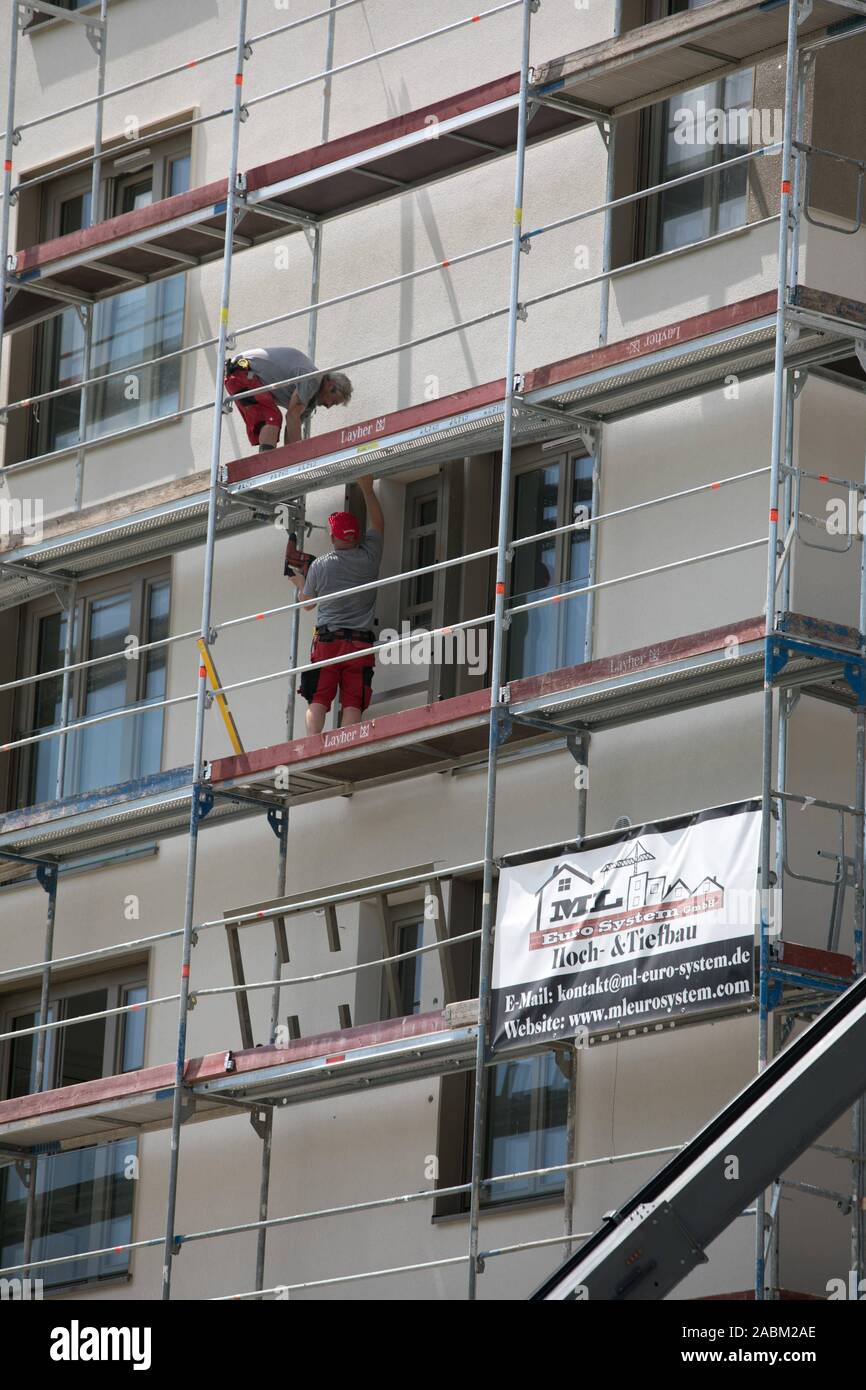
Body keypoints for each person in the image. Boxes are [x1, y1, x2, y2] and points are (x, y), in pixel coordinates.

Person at [287, 476, 384, 735]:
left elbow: (307, 604)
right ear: (357, 536)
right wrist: (367, 487)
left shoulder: (321, 565)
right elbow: (378, 523)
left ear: (332, 536)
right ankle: (346, 744)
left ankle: (312, 746)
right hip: (360, 643)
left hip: (328, 643)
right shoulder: (370, 557)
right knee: (353, 701)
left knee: (318, 698)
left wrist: (299, 583)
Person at [224, 346, 353, 451]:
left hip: (245, 375)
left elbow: (292, 427)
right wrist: (300, 457)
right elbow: (292, 416)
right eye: (334, 401)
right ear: (331, 386)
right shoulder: (313, 380)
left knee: (272, 417)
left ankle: (268, 464)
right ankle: (265, 468)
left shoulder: (309, 402)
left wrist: (290, 460)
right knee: (272, 418)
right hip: (242, 372)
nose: (329, 406)